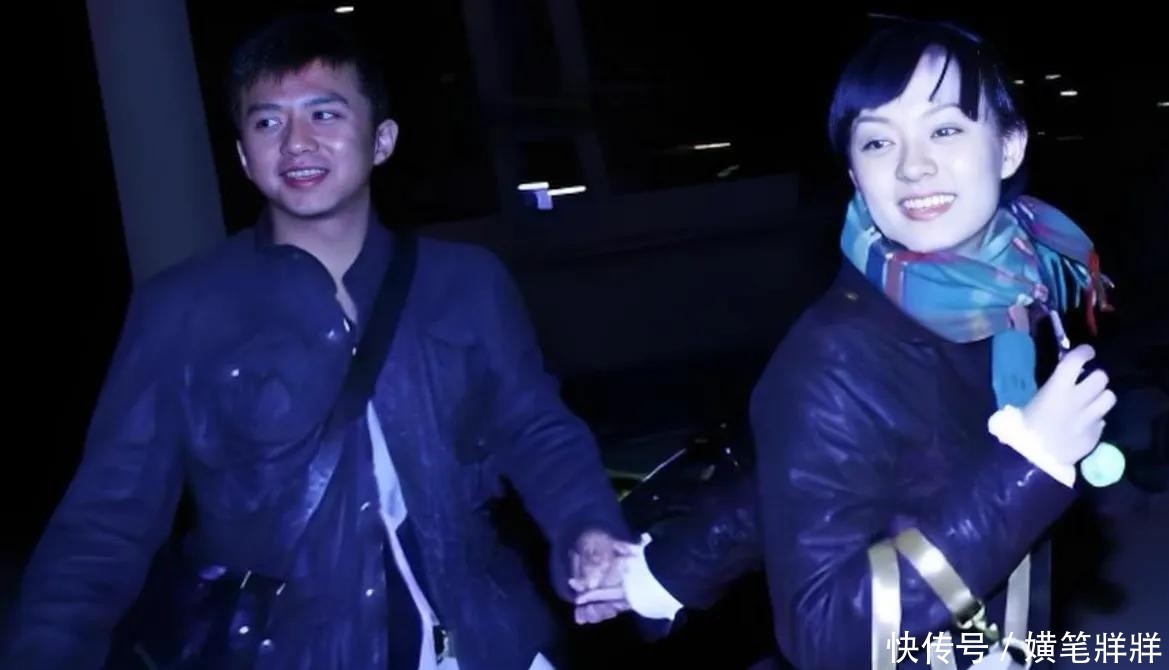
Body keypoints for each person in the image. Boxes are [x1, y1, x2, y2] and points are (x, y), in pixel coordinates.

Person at [1, 12, 661, 670]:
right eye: (267, 123)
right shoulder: (181, 310)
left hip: (489, 641)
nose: (296, 142)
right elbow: (106, 522)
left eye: (324, 114)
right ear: (243, 156)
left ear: (382, 140)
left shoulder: (465, 282)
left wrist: (587, 527)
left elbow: (536, 428)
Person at [748, 18, 1119, 669]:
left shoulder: (1014, 283)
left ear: (1008, 147)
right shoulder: (833, 356)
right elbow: (821, 632)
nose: (912, 166)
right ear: (854, 173)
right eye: (877, 142)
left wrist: (666, 570)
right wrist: (1031, 464)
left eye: (944, 129)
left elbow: (828, 481)